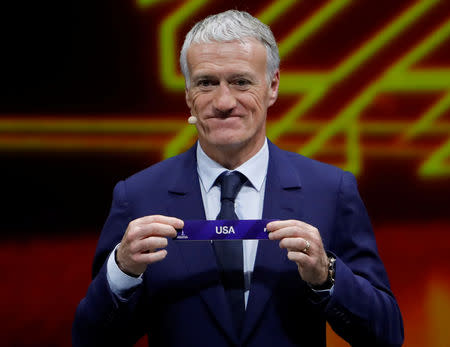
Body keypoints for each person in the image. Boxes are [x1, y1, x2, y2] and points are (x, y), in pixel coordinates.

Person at [73, 10, 403, 347]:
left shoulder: (331, 191)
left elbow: (386, 334)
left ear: (272, 86)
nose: (224, 101)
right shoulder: (137, 196)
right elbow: (89, 339)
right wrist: (122, 272)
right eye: (206, 83)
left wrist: (326, 274)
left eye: (241, 82)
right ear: (188, 93)